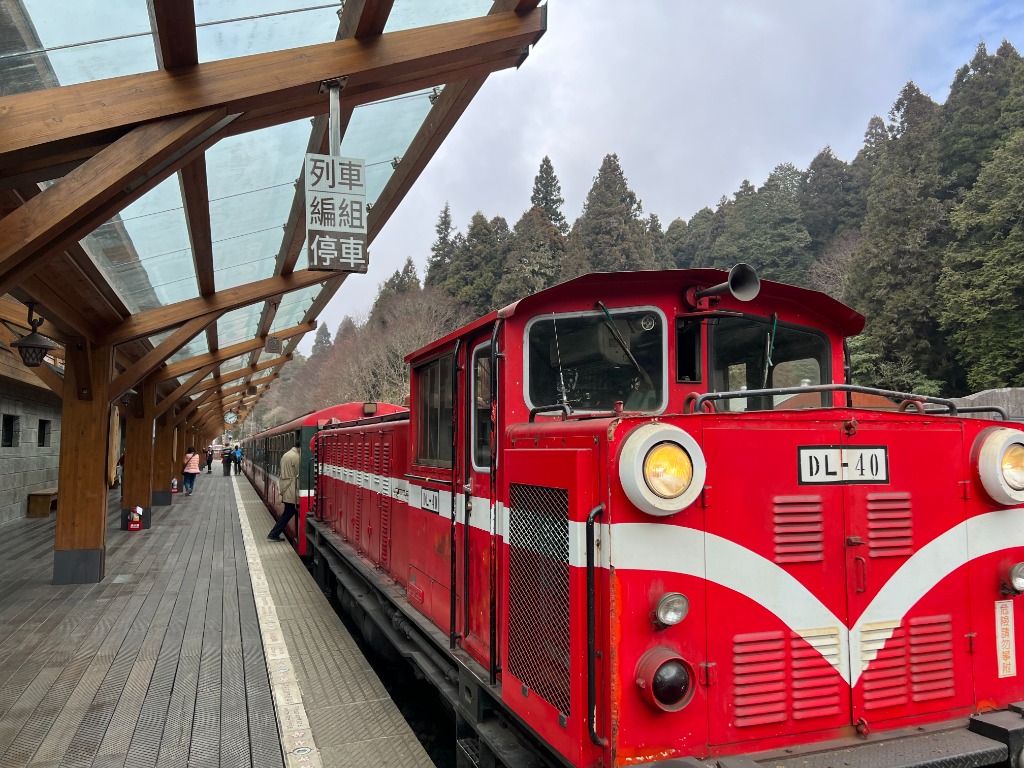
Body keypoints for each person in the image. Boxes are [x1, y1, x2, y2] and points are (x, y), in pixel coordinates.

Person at [268, 440, 301, 541]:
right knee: (288, 512)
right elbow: (299, 472)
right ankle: (273, 534)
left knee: (289, 512)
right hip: (292, 488)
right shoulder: (296, 457)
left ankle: (274, 533)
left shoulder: (286, 455)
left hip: (286, 486)